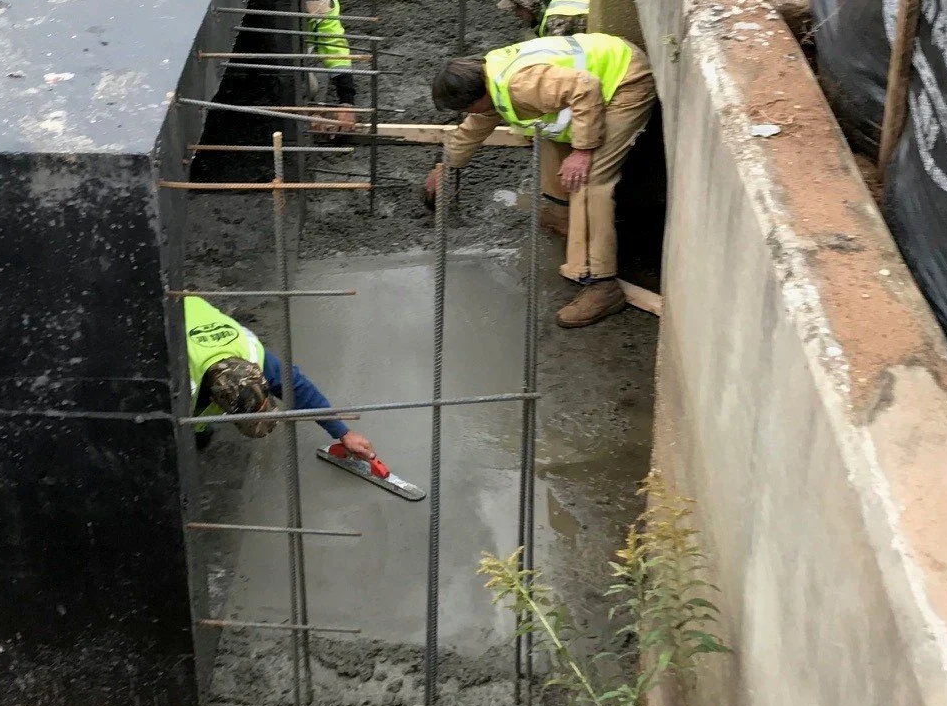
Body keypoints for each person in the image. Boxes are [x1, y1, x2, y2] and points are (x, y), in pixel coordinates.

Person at [425, 33, 657, 329]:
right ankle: (564, 217)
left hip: (625, 82)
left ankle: (602, 284)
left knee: (592, 178)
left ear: (477, 97)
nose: (468, 114)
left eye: (467, 108)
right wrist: (447, 165)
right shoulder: (490, 78)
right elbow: (476, 126)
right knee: (548, 136)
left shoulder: (520, 86)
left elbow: (586, 87)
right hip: (594, 82)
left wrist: (583, 151)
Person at [185, 295, 378, 459]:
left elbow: (298, 388)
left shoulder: (254, 355)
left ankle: (198, 432)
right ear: (218, 403)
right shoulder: (183, 383)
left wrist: (342, 432)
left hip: (192, 308)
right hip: (168, 316)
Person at [303, 0, 357, 139]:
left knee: (311, 85)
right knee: (309, 87)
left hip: (301, 55)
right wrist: (308, 110)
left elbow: (335, 50)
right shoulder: (282, 13)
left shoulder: (326, 7)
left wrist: (346, 102)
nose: (320, 14)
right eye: (316, 11)